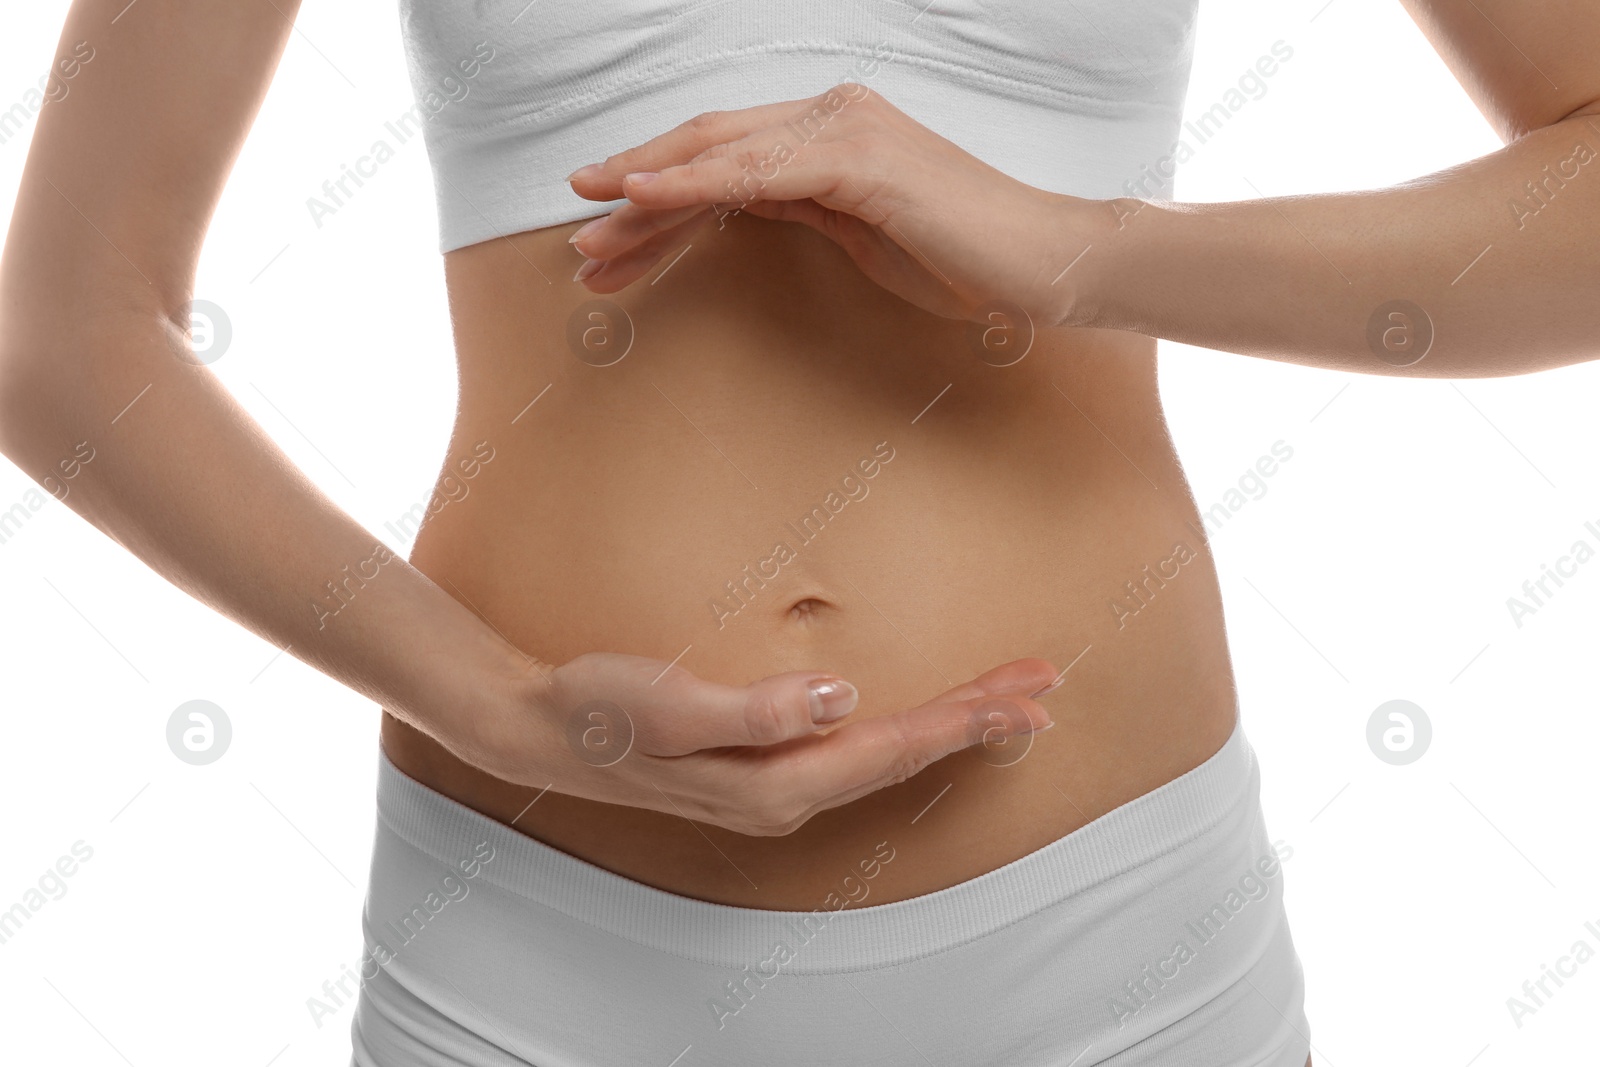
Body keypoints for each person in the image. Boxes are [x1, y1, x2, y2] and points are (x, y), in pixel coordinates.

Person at [0, 0, 1593, 1064]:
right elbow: (64, 335)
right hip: (534, 954)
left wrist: (1070, 247)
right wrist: (496, 706)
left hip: (1121, 947)